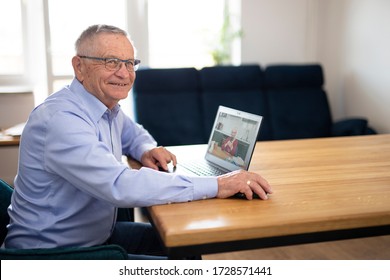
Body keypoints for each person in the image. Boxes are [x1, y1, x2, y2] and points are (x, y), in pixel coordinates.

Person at [3, 24, 272, 259]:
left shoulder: (105, 106)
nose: (125, 73)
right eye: (111, 62)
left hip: (95, 235)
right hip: (53, 255)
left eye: (130, 63)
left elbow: (133, 133)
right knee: (182, 257)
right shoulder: (61, 119)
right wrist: (218, 184)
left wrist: (146, 149)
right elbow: (119, 184)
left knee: (187, 244)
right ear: (79, 66)